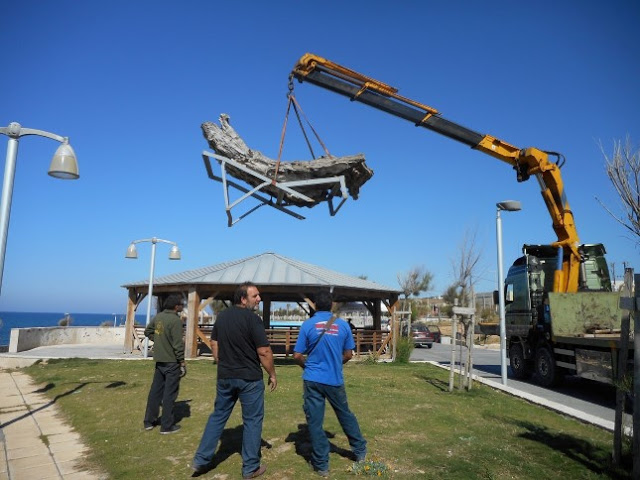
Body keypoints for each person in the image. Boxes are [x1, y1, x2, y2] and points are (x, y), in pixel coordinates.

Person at [192, 282, 277, 479]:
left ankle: (201, 459)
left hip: (225, 377)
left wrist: (221, 361)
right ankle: (250, 468)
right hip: (249, 379)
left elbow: (214, 342)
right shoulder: (253, 319)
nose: (259, 299)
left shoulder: (222, 317)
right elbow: (264, 351)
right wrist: (272, 374)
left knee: (218, 416)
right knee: (252, 420)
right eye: (255, 296)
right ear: (243, 298)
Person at [293, 290, 367, 477]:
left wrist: (307, 366)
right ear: (332, 305)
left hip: (312, 380)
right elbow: (349, 354)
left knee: (315, 422)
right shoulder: (343, 326)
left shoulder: (307, 325)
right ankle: (359, 451)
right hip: (334, 379)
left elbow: (297, 355)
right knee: (345, 415)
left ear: (315, 305)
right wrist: (336, 363)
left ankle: (321, 465)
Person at [143, 293, 187, 434]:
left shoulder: (159, 317)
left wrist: (159, 340)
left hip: (159, 361)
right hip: (172, 362)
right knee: (169, 394)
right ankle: (166, 426)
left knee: (155, 392)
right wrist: (182, 362)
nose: (182, 306)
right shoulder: (175, 321)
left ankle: (149, 421)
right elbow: (177, 345)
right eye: (181, 304)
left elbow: (147, 331)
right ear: (176, 306)